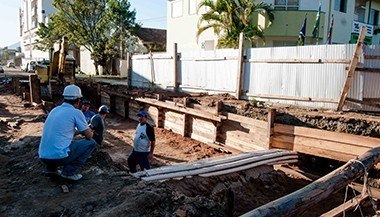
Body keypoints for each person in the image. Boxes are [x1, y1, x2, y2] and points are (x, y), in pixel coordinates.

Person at [38, 84, 96, 181]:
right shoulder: (76, 112)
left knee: (57, 143)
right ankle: (68, 172)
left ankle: (51, 169)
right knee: (91, 143)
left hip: (43, 156)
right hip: (59, 158)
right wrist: (89, 132)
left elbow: (64, 131)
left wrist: (77, 132)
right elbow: (89, 136)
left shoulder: (54, 110)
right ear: (78, 101)